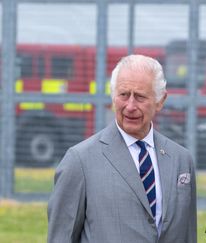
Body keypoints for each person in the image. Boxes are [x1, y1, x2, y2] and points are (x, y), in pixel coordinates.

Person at [47, 55, 197, 243]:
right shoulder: (80, 161)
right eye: (124, 95)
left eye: (140, 97)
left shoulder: (181, 160)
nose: (130, 106)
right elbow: (61, 237)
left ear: (160, 100)